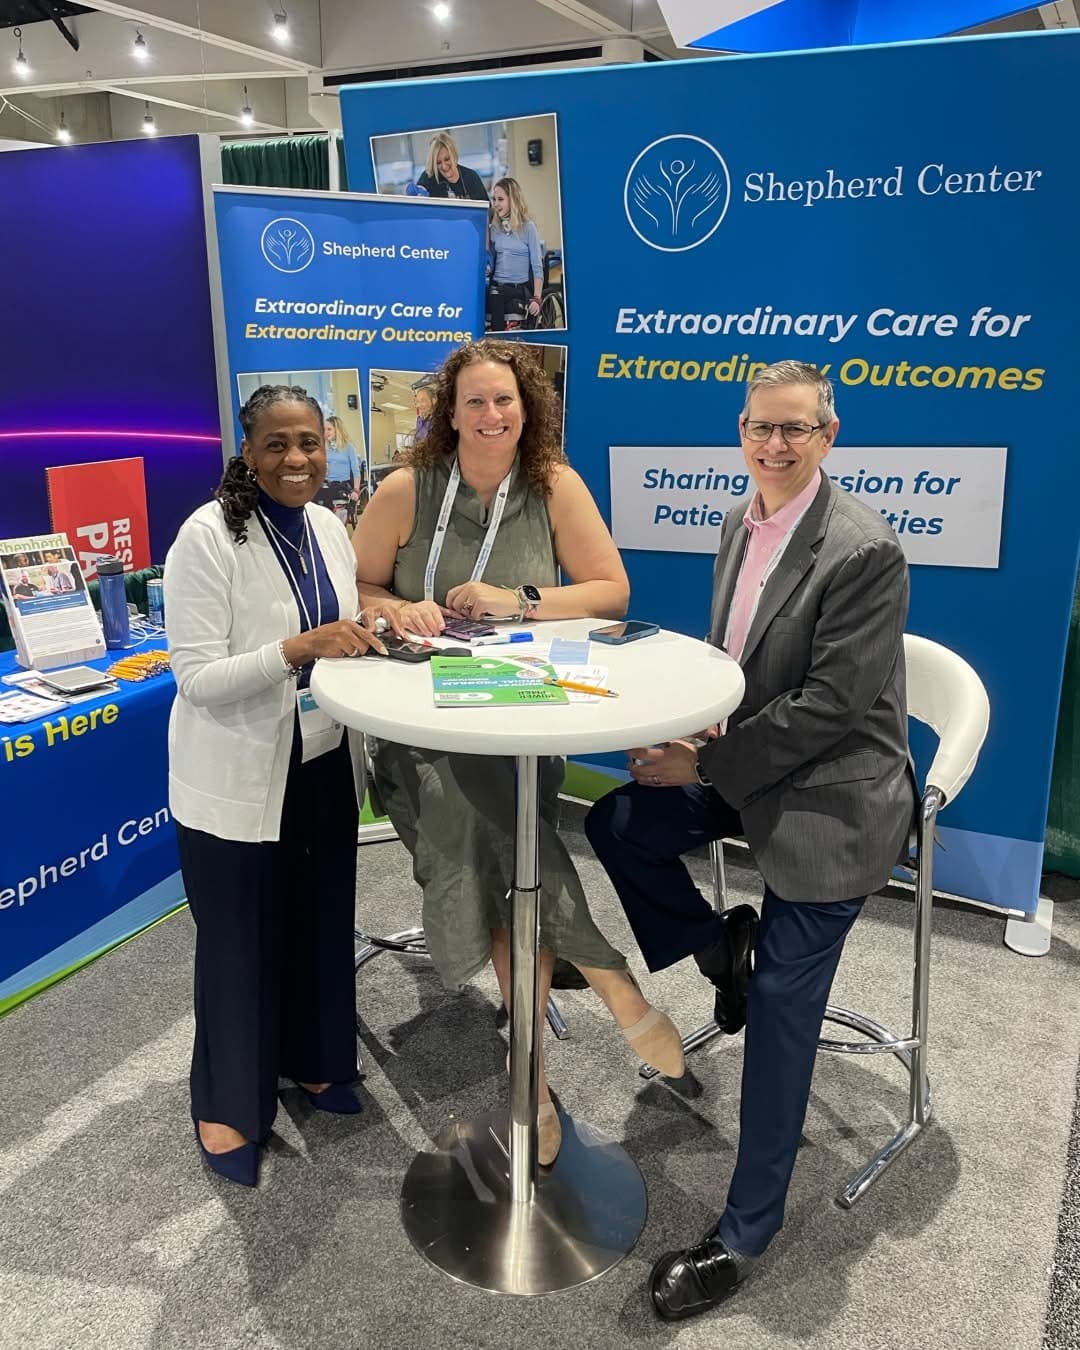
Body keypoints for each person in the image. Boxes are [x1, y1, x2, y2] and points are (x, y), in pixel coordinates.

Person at [585, 360, 916, 1321]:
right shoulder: (741, 521)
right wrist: (692, 736)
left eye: (796, 431)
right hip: (748, 762)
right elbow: (740, 669)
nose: (775, 446)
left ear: (829, 435)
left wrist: (709, 767)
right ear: (741, 431)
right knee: (619, 823)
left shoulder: (863, 550)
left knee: (778, 1006)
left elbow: (829, 709)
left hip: (832, 791)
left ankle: (742, 1235)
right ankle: (719, 947)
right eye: (760, 429)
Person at [352, 338, 686, 1166]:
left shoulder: (554, 486)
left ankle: (527, 1079)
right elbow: (355, 589)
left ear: (526, 407)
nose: (492, 415)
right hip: (419, 734)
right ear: (448, 412)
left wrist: (521, 598)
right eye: (474, 402)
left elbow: (612, 590)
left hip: (522, 729)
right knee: (502, 840)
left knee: (504, 853)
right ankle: (605, 976)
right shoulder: (405, 489)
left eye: (505, 400)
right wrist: (400, 610)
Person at [164, 384, 386, 1188]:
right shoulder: (207, 537)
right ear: (248, 450)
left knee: (320, 917)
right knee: (238, 941)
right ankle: (229, 1102)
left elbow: (343, 626)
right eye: (277, 445)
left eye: (309, 444)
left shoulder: (329, 524)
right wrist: (296, 650)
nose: (297, 461)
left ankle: (316, 1059)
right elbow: (194, 678)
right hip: (235, 775)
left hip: (321, 758)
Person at [486, 178, 543, 332]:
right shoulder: (495, 227)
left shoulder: (528, 227)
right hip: (497, 285)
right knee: (493, 291)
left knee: (496, 293)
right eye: (494, 199)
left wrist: (537, 298)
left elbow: (537, 266)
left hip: (518, 288)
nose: (496, 204)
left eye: (500, 199)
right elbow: (488, 258)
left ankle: (496, 338)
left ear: (513, 200)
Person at [416, 131, 489, 202]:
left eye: (447, 159)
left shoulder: (471, 178)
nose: (444, 167)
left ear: (454, 155)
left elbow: (487, 211)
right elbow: (415, 207)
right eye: (438, 163)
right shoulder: (428, 178)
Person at [316, 414, 362, 511]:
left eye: (329, 429)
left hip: (342, 485)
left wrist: (356, 491)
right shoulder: (325, 448)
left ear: (337, 430)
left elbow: (356, 471)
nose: (326, 432)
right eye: (324, 429)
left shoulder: (348, 447)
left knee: (327, 496)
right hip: (327, 484)